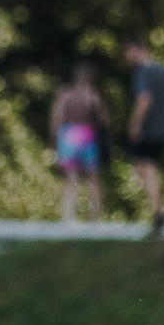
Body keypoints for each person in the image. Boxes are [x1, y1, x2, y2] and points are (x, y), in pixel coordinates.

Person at [124, 39, 164, 234]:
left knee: (146, 165)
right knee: (145, 165)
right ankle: (159, 205)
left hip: (149, 129)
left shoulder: (143, 71)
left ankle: (159, 210)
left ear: (138, 49)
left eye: (128, 51)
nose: (126, 57)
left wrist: (134, 125)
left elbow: (145, 99)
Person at [50, 62, 107, 224]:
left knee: (71, 177)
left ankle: (68, 216)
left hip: (68, 136)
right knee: (93, 178)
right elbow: (103, 121)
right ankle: (96, 216)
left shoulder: (64, 94)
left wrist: (54, 138)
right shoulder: (93, 95)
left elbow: (57, 119)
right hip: (88, 136)